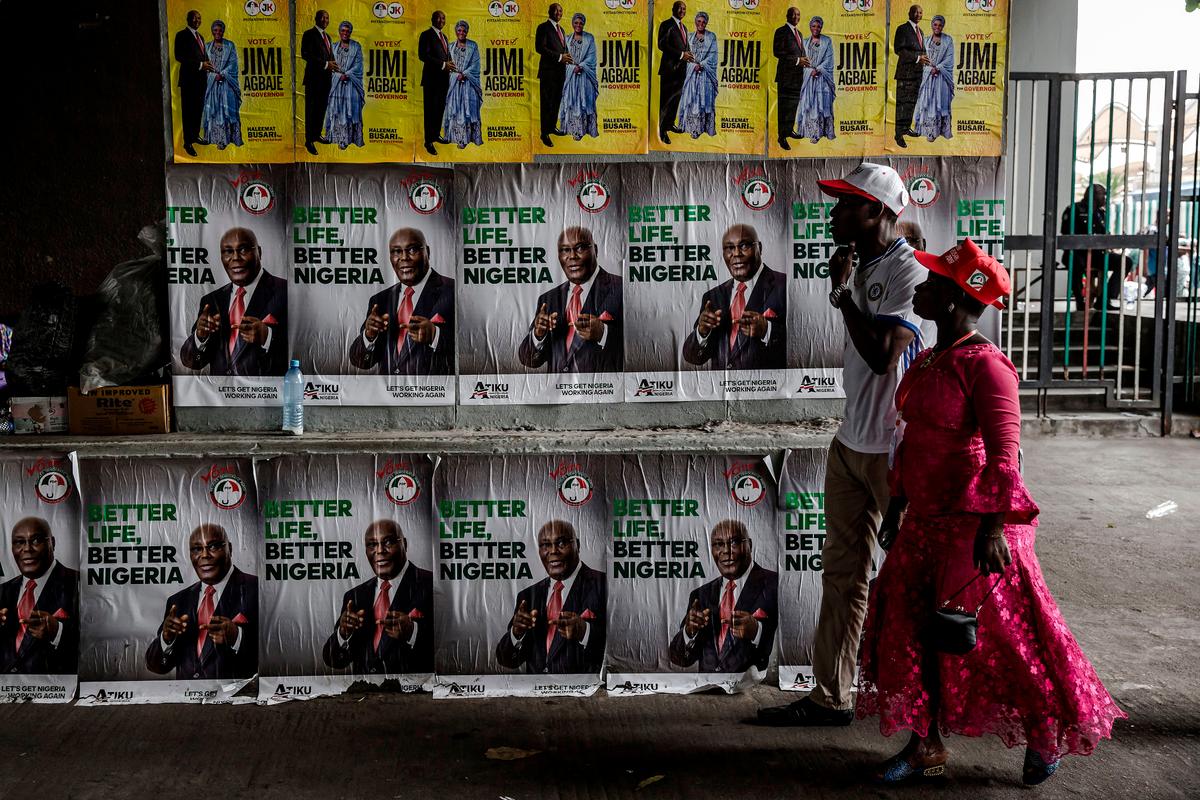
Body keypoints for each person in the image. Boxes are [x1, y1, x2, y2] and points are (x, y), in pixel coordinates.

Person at [857, 239, 1125, 785]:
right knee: (913, 634)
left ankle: (1044, 730)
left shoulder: (989, 366)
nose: (921, 288)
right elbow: (912, 441)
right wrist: (899, 504)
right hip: (925, 524)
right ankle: (926, 743)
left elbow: (1006, 454)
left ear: (956, 299)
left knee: (1003, 641)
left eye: (932, 283)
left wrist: (994, 526)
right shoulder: (933, 357)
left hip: (976, 529)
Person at [757, 162, 931, 727]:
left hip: (893, 454)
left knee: (913, 582)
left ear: (880, 213)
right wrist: (847, 285)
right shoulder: (860, 264)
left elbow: (884, 358)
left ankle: (928, 712)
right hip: (850, 442)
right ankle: (831, 697)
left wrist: (840, 294)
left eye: (847, 205)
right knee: (842, 577)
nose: (834, 214)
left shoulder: (908, 273)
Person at [145, 524, 258, 680]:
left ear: (229, 549)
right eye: (197, 549)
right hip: (186, 701)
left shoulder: (258, 589)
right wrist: (166, 639)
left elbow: (281, 652)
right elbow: (156, 666)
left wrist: (237, 637)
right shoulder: (178, 601)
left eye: (213, 546)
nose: (205, 555)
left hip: (238, 700)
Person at [322, 520, 434, 675]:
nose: (380, 550)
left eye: (388, 542)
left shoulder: (432, 584)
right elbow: (334, 661)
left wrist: (413, 632)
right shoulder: (354, 596)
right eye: (372, 545)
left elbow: (452, 648)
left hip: (415, 695)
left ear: (405, 545)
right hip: (366, 694)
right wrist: (343, 633)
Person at [495, 520, 606, 674]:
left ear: (577, 546)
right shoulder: (527, 596)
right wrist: (516, 633)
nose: (553, 551)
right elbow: (507, 660)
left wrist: (585, 632)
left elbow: (625, 651)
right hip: (535, 694)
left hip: (584, 695)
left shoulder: (605, 585)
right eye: (545, 545)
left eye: (561, 543)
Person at [668, 520, 778, 673]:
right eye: (718, 544)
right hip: (707, 693)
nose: (726, 551)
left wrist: (757, 631)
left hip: (754, 691)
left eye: (734, 542)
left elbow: (793, 644)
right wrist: (689, 632)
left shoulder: (776, 584)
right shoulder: (700, 595)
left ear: (750, 545)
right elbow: (679, 659)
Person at [179, 227, 288, 376]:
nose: (235, 258)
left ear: (259, 252)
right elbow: (192, 362)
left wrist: (267, 336)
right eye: (228, 252)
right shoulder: (211, 300)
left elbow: (308, 350)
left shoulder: (287, 291)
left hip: (267, 396)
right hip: (221, 396)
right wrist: (200, 336)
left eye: (243, 249)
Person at [349, 228, 455, 376]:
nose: (404, 257)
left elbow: (475, 348)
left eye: (412, 249)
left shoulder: (454, 291)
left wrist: (435, 335)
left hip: (433, 395)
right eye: (397, 251)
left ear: (427, 252)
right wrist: (369, 335)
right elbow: (361, 362)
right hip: (388, 395)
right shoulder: (380, 300)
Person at [518, 226, 623, 373]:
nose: (572, 256)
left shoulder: (622, 288)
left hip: (601, 392)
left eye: (580, 248)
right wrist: (538, 334)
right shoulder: (549, 299)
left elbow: (643, 346)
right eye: (565, 250)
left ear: (595, 250)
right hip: (558, 393)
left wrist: (603, 333)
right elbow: (527, 359)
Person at [682, 223, 787, 370]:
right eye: (730, 248)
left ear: (759, 248)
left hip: (766, 389)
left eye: (744, 245)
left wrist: (767, 330)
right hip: (723, 390)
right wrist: (702, 331)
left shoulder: (786, 285)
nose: (736, 253)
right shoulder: (712, 297)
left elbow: (808, 342)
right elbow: (693, 357)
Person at [0, 518, 78, 675]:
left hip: (57, 693)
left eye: (36, 540)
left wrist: (58, 631)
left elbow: (99, 644)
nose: (27, 549)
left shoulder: (79, 584)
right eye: (19, 542)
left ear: (52, 543)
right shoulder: (2, 591)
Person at [1061, 184, 1129, 311]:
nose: (1105, 198)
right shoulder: (1074, 209)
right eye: (1103, 194)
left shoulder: (1100, 213)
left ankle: (1105, 299)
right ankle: (1080, 302)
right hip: (1077, 252)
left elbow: (1104, 234)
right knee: (1075, 262)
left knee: (1125, 262)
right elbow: (1065, 232)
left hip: (1096, 255)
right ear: (1094, 195)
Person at [174, 9, 213, 157]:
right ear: (188, 19)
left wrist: (208, 64)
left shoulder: (200, 36)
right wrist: (201, 65)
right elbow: (179, 56)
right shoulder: (181, 35)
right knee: (188, 112)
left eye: (199, 18)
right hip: (188, 81)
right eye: (195, 18)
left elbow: (204, 56)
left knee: (198, 110)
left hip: (201, 80)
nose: (198, 20)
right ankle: (187, 142)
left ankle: (195, 136)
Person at [201, 20, 242, 150]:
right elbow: (204, 65)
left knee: (225, 111)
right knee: (213, 110)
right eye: (215, 30)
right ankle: (211, 138)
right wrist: (213, 76)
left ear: (223, 31)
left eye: (220, 30)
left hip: (226, 84)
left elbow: (233, 64)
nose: (217, 33)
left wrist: (222, 74)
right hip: (211, 84)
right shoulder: (207, 46)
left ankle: (224, 140)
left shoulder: (230, 45)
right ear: (212, 32)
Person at [912, 15, 954, 142]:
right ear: (931, 25)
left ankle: (938, 130)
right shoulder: (925, 40)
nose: (937, 27)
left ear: (943, 26)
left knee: (939, 102)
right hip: (928, 76)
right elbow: (921, 58)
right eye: (935, 24)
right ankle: (927, 131)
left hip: (941, 78)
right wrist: (930, 69)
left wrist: (939, 67)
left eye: (940, 25)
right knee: (927, 103)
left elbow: (950, 58)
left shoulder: (948, 40)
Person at [676, 12, 718, 139]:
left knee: (704, 101)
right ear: (695, 22)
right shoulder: (689, 37)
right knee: (691, 100)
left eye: (703, 22)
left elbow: (713, 55)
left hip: (705, 75)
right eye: (698, 21)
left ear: (707, 23)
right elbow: (685, 55)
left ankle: (702, 128)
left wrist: (702, 64)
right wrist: (693, 66)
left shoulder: (711, 37)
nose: (701, 24)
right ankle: (691, 128)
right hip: (691, 73)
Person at [324, 21, 365, 150]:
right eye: (343, 30)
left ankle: (347, 139)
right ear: (339, 31)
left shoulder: (356, 46)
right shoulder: (333, 46)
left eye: (347, 31)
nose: (345, 33)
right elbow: (330, 65)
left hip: (351, 85)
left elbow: (359, 66)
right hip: (336, 85)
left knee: (350, 112)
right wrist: (337, 76)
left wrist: (346, 74)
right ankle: (336, 138)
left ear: (350, 32)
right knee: (336, 110)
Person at [443, 21, 483, 149]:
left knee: (467, 111)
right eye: (459, 30)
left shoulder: (473, 46)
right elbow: (447, 65)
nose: (461, 33)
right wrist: (455, 75)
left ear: (467, 32)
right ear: (456, 31)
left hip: (468, 84)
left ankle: (465, 139)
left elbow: (476, 65)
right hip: (454, 84)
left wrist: (464, 74)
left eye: (464, 31)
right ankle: (452, 137)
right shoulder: (450, 47)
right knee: (454, 110)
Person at [418, 11, 454, 156]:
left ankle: (435, 135)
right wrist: (443, 65)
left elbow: (447, 55)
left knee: (439, 109)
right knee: (430, 111)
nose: (441, 20)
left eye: (443, 18)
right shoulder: (426, 35)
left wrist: (451, 64)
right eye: (438, 17)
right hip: (431, 80)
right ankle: (428, 142)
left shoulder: (444, 36)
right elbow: (423, 55)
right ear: (432, 19)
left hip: (443, 80)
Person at [535, 4, 571, 148]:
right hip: (548, 72)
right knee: (546, 103)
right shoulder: (543, 27)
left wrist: (568, 57)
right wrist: (559, 57)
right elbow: (540, 48)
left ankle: (551, 127)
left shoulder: (561, 29)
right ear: (549, 11)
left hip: (560, 72)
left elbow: (563, 49)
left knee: (556, 101)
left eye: (561, 10)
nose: (558, 12)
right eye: (556, 10)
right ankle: (544, 134)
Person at [656, 1, 692, 144]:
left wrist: (689, 55)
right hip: (669, 70)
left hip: (681, 70)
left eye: (684, 9)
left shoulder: (685, 27)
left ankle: (670, 124)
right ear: (673, 9)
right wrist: (682, 55)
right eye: (679, 8)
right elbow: (662, 44)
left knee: (675, 100)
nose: (682, 10)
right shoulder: (666, 24)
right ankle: (662, 130)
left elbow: (685, 46)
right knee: (666, 101)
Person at [300, 10, 335, 155]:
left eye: (327, 17)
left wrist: (334, 65)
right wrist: (326, 64)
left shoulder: (328, 37)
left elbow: (329, 55)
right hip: (313, 80)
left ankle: (316, 135)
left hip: (325, 80)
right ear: (316, 19)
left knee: (321, 109)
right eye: (322, 17)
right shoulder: (309, 34)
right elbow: (305, 54)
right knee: (311, 110)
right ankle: (309, 140)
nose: (325, 20)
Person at [559, 13, 599, 142]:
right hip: (571, 77)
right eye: (576, 23)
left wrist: (581, 66)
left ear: (584, 24)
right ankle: (571, 130)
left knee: (584, 102)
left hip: (585, 77)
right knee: (571, 101)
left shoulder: (589, 38)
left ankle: (583, 130)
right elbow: (563, 57)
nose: (578, 25)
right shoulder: (567, 39)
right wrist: (572, 68)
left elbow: (592, 57)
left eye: (580, 23)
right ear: (572, 23)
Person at [795, 16, 834, 144]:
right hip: (808, 78)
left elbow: (829, 60)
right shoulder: (805, 42)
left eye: (818, 26)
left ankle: (817, 134)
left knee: (820, 105)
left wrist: (818, 69)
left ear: (821, 27)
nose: (816, 29)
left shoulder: (827, 41)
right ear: (810, 27)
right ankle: (806, 131)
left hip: (822, 78)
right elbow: (802, 60)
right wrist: (809, 71)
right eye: (813, 26)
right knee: (809, 105)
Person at [891, 4, 926, 148]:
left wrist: (925, 59)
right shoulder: (902, 29)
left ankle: (906, 128)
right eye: (915, 12)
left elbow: (920, 50)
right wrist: (918, 58)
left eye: (920, 12)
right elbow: (899, 50)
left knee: (911, 103)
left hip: (917, 74)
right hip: (905, 74)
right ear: (909, 13)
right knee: (901, 104)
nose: (918, 14)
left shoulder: (921, 31)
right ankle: (898, 134)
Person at [772, 7, 806, 150]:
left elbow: (801, 52)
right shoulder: (781, 31)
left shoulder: (800, 33)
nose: (795, 16)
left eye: (798, 14)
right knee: (784, 108)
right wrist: (798, 60)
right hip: (785, 77)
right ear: (787, 16)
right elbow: (777, 52)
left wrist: (805, 60)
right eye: (792, 14)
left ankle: (789, 130)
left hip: (797, 77)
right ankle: (782, 137)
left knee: (793, 106)